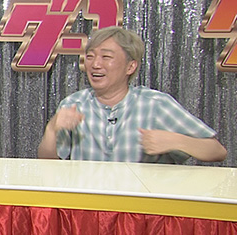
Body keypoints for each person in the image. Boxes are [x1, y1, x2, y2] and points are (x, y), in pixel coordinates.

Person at [37, 26, 226, 163]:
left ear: (130, 66)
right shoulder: (74, 104)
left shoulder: (155, 104)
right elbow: (48, 165)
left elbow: (217, 151)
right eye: (91, 56)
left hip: (141, 204)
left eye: (106, 57)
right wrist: (52, 130)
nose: (95, 64)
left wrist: (176, 141)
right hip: (88, 203)